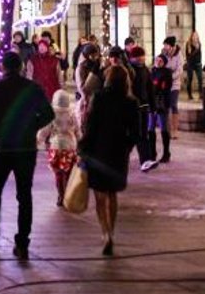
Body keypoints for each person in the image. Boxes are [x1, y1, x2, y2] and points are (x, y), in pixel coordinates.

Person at [0, 51, 54, 260]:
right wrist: (30, 128)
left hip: (3, 148)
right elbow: (49, 114)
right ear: (21, 67)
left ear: (2, 67)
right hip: (25, 149)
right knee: (24, 195)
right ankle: (22, 243)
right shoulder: (33, 88)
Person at [78, 65, 140, 256]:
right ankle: (111, 231)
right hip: (118, 153)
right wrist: (127, 147)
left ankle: (105, 233)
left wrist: (83, 147)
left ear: (108, 79)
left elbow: (91, 125)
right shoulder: (131, 102)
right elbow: (136, 133)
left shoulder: (100, 98)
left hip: (99, 152)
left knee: (99, 196)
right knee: (112, 194)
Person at [37, 89, 80, 207]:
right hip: (70, 147)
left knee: (58, 174)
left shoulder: (52, 115)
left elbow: (44, 131)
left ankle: (61, 195)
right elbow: (78, 130)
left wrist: (37, 140)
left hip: (56, 148)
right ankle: (68, 194)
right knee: (69, 173)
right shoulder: (72, 114)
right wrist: (81, 142)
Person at [143, 54, 173, 170]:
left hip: (162, 103)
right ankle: (152, 152)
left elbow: (164, 88)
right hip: (152, 103)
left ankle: (166, 152)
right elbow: (150, 86)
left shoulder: (167, 73)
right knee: (150, 128)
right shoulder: (152, 72)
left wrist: (156, 88)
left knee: (163, 128)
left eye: (160, 60)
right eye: (157, 60)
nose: (158, 62)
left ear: (164, 62)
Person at [128, 47, 155, 169]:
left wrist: (153, 105)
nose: (141, 58)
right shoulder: (129, 70)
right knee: (134, 135)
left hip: (144, 106)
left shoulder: (145, 70)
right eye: (138, 56)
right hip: (133, 107)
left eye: (143, 56)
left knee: (143, 134)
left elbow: (150, 88)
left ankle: (146, 160)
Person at [75, 44, 103, 130]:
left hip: (99, 101)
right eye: (92, 55)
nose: (95, 57)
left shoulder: (99, 66)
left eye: (96, 55)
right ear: (87, 55)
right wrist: (93, 74)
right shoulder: (81, 67)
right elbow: (83, 89)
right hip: (87, 102)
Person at [162, 37, 183, 139]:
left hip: (175, 84)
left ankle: (175, 130)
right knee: (166, 106)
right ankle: (168, 129)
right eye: (164, 45)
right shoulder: (163, 54)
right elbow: (159, 65)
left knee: (173, 104)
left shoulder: (179, 54)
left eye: (166, 45)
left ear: (171, 46)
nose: (165, 47)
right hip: (165, 84)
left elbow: (180, 70)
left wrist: (171, 77)